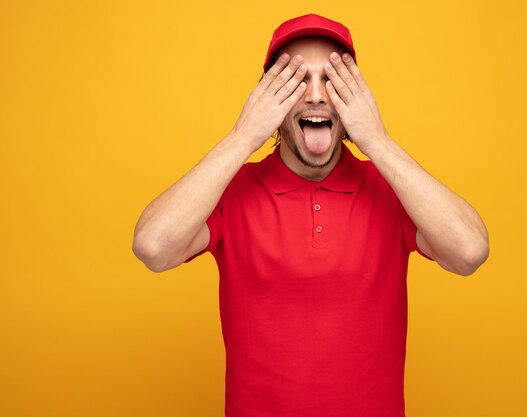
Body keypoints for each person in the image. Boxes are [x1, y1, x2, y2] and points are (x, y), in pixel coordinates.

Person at [133, 13, 489, 417]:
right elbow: (154, 247)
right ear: (268, 98)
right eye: (296, 81)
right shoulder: (232, 192)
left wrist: (378, 141)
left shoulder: (392, 190)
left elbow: (470, 251)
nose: (317, 96)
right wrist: (243, 136)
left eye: (334, 81)